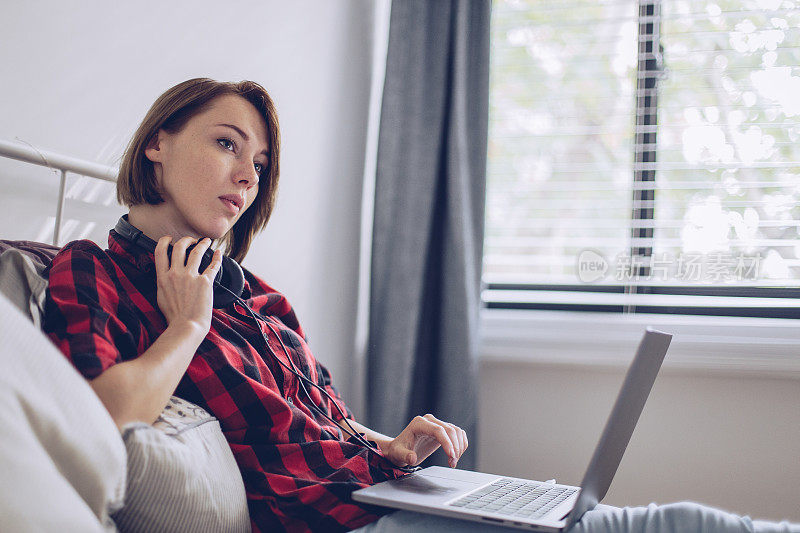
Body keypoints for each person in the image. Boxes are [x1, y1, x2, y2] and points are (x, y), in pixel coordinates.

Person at [42, 78, 798, 533]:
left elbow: (325, 425)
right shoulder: (93, 272)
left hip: (380, 496)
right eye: (227, 144)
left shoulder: (259, 297)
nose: (246, 177)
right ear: (158, 145)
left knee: (609, 513)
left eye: (261, 162)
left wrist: (391, 442)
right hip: (339, 526)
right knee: (676, 524)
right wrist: (188, 325)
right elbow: (103, 417)